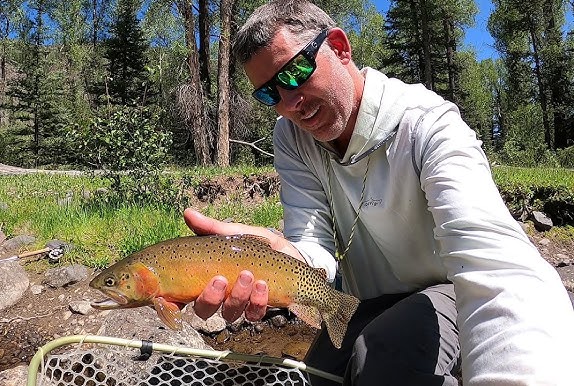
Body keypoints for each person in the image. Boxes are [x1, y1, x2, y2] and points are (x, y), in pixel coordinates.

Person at [183, 0, 574, 385]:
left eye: (294, 72)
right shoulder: (291, 137)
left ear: (338, 47)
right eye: (269, 93)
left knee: (381, 358)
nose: (290, 103)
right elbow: (313, 244)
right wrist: (287, 256)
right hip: (368, 303)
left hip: (455, 290)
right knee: (323, 374)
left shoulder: (429, 126)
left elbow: (496, 266)